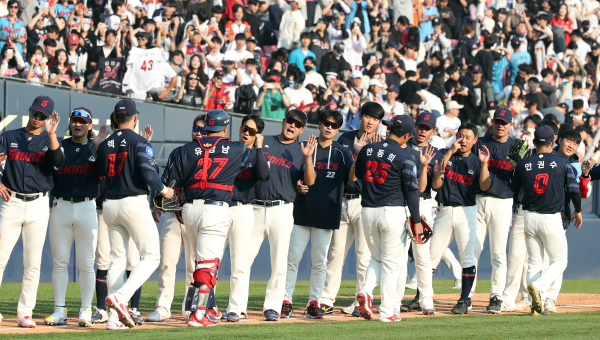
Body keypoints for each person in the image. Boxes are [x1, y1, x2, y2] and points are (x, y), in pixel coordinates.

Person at [160, 109, 252, 327]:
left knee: (200, 263)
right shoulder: (238, 148)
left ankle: (210, 309)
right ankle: (197, 314)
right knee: (207, 264)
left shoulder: (184, 150)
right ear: (225, 126)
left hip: (189, 210)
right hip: (215, 208)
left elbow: (169, 183)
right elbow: (255, 167)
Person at [97, 100, 174, 330]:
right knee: (151, 256)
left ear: (115, 119)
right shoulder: (139, 141)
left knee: (117, 261)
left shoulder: (104, 144)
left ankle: (112, 319)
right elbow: (150, 175)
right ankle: (122, 297)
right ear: (134, 118)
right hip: (133, 202)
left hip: (110, 205)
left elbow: (101, 173)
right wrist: (164, 190)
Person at [351, 112, 422, 323]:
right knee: (392, 264)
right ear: (407, 136)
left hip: (367, 210)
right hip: (391, 211)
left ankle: (365, 291)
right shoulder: (406, 156)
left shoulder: (368, 149)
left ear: (389, 129)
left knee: (377, 258)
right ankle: (387, 311)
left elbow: (359, 174)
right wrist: (416, 220)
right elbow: (411, 190)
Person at [0, 96, 63, 328]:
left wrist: (52, 134)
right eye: (36, 113)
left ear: (49, 118)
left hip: (39, 204)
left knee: (33, 263)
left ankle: (25, 312)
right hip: (12, 201)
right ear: (29, 110)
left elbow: (57, 164)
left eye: (42, 116)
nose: (38, 118)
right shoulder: (8, 136)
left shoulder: (52, 139)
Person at [284, 111, 352, 319]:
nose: (329, 127)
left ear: (338, 129)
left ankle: (315, 302)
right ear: (320, 124)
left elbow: (353, 178)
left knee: (319, 261)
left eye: (334, 125)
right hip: (301, 211)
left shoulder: (342, 153)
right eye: (326, 123)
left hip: (326, 214)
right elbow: (290, 175)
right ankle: (285, 300)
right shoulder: (303, 146)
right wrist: (296, 183)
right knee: (292, 259)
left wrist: (360, 153)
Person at [44, 108, 107, 327]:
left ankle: (86, 310)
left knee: (87, 264)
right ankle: (59, 310)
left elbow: (105, 172)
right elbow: (55, 163)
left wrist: (100, 147)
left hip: (88, 206)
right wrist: (52, 136)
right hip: (60, 205)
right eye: (74, 121)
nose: (77, 124)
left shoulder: (96, 145)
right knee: (59, 263)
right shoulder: (60, 143)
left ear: (90, 125)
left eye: (82, 121)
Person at [510, 125, 582, 315]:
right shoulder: (561, 161)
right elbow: (574, 190)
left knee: (534, 262)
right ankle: (540, 287)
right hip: (551, 218)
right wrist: (579, 210)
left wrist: (516, 165)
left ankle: (536, 305)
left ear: (534, 143)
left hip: (529, 216)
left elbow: (514, 189)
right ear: (554, 142)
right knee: (559, 261)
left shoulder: (524, 163)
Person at [320, 105, 383, 317]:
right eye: (367, 116)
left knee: (364, 256)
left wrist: (363, 153)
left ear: (379, 122)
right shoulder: (346, 139)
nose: (370, 121)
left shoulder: (381, 145)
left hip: (366, 203)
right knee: (336, 254)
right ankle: (327, 299)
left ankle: (360, 302)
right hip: (344, 201)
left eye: (375, 118)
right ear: (360, 116)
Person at [247, 109, 309, 321]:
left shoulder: (302, 150)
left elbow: (309, 181)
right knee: (243, 259)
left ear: (302, 129)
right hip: (255, 207)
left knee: (280, 262)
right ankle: (236, 306)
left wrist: (305, 174)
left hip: (282, 208)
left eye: (298, 124)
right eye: (290, 121)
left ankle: (272, 307)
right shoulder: (264, 141)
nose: (293, 126)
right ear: (283, 122)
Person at [146, 116, 204, 324]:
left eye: (203, 129)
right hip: (173, 213)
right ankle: (162, 307)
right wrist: (157, 203)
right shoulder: (179, 153)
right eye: (196, 128)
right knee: (167, 264)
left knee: (193, 267)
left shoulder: (210, 158)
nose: (198, 132)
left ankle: (190, 309)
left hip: (195, 214)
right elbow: (165, 181)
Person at [429, 123, 492, 315]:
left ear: (475, 140)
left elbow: (485, 186)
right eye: (460, 135)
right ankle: (421, 297)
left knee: (468, 257)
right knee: (430, 257)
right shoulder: (444, 155)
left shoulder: (476, 160)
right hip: (445, 209)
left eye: (468, 137)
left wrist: (484, 163)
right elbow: (436, 184)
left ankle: (464, 300)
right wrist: (449, 153)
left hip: (467, 211)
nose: (463, 140)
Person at [225, 114, 270, 322]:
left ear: (257, 135)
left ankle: (235, 307)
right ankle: (207, 305)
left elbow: (263, 175)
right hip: (222, 207)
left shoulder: (257, 155)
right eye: (244, 128)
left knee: (240, 262)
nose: (246, 133)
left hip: (244, 209)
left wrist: (259, 148)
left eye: (251, 131)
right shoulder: (230, 149)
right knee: (211, 259)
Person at [471, 108, 516, 314]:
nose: (500, 125)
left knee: (498, 253)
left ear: (510, 124)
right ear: (493, 122)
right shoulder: (480, 142)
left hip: (503, 201)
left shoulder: (517, 146)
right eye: (498, 121)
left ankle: (496, 296)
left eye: (504, 122)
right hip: (478, 200)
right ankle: (467, 295)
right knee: (473, 251)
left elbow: (520, 176)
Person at [400, 112, 443, 315]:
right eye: (420, 126)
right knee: (398, 255)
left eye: (427, 128)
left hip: (424, 203)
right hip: (400, 203)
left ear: (433, 131)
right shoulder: (403, 147)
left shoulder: (436, 152)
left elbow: (434, 186)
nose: (422, 131)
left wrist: (434, 172)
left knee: (422, 255)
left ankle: (427, 300)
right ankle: (395, 297)